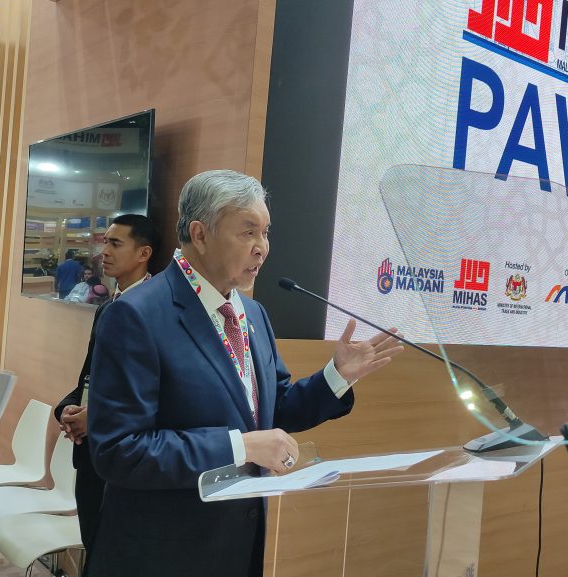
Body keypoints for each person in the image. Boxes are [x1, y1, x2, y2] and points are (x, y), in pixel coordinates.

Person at [86, 170, 403, 577]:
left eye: (266, 233)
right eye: (248, 232)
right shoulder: (135, 315)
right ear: (200, 234)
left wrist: (337, 375)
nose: (262, 248)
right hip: (161, 553)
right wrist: (240, 447)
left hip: (236, 547)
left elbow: (271, 409)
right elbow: (119, 451)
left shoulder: (252, 313)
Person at [54, 213, 156, 576]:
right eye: (105, 243)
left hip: (126, 457)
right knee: (94, 545)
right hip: (90, 454)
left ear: (143, 253)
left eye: (115, 243)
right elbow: (91, 375)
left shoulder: (155, 311)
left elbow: (151, 392)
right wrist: (68, 408)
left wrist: (95, 417)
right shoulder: (109, 307)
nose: (104, 252)